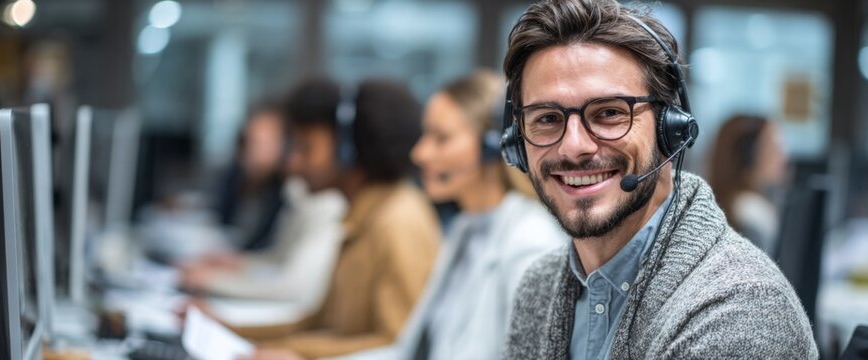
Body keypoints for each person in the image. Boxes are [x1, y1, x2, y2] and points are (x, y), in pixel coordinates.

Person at [499, 1, 818, 359]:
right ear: (516, 143)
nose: (574, 147)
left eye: (608, 113)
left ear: (672, 131)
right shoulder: (538, 288)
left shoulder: (743, 312)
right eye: (547, 118)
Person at [337, 70, 564, 360]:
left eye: (441, 138)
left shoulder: (530, 243)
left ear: (493, 146)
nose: (420, 154)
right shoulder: (465, 228)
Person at [239, 78, 441, 360]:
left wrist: (295, 354)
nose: (293, 163)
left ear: (348, 150)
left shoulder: (397, 220)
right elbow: (318, 325)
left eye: (306, 148)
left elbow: (396, 345)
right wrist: (231, 330)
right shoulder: (360, 215)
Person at [179, 80, 349, 310]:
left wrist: (215, 282)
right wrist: (236, 263)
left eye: (306, 149)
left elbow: (292, 288)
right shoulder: (295, 192)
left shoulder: (328, 202)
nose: (294, 163)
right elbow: (279, 259)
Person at [709, 114, 788, 256]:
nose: (784, 157)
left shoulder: (731, 207)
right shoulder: (753, 213)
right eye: (774, 147)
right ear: (748, 156)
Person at [213, 103, 288, 251]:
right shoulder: (238, 178)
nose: (253, 152)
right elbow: (223, 219)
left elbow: (266, 249)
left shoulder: (288, 194)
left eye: (262, 144)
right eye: (250, 143)